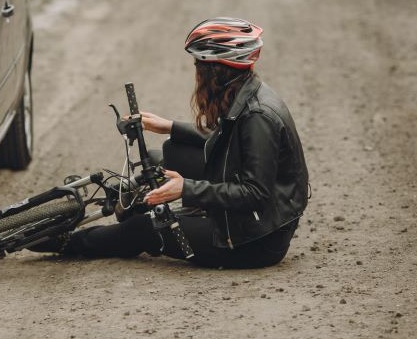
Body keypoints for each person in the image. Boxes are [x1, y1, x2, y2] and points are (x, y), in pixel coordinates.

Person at [31, 17, 309, 268]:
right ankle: (134, 204)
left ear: (217, 71)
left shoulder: (258, 117)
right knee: (166, 155)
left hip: (254, 240)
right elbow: (224, 143)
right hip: (253, 221)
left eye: (199, 65)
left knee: (143, 228)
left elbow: (254, 194)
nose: (196, 73)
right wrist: (169, 127)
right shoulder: (244, 94)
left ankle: (68, 243)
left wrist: (187, 189)